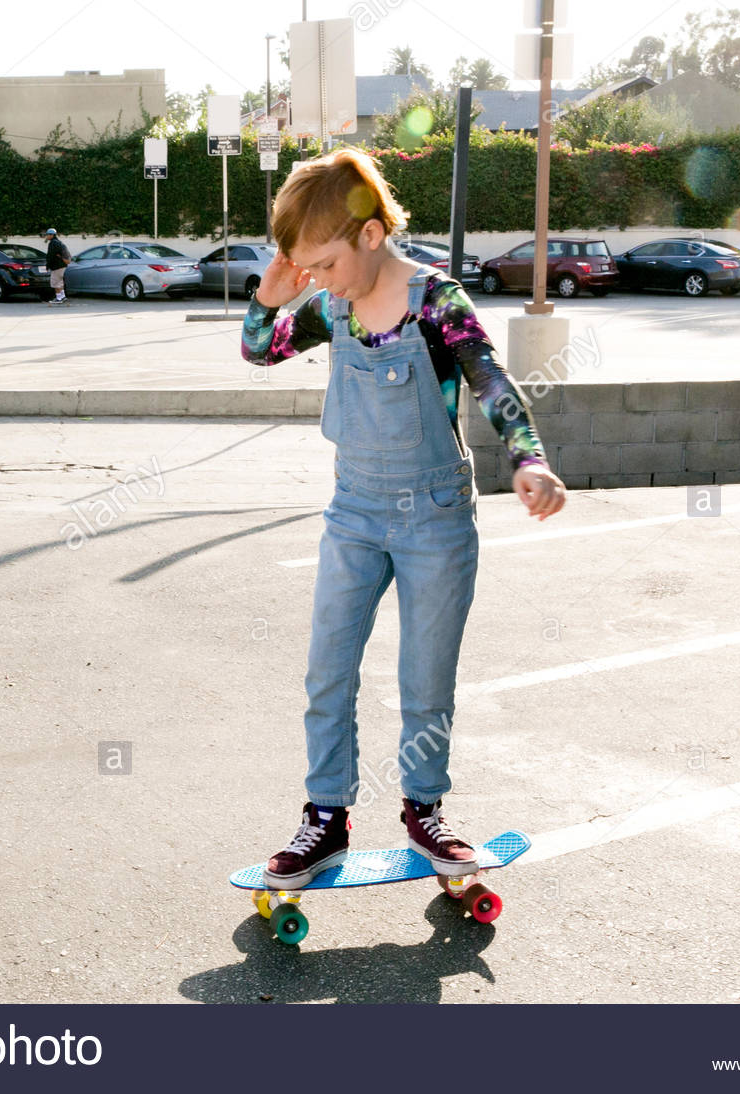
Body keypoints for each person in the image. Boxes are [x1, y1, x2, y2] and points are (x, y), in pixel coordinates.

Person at [241, 147, 566, 890]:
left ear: (370, 234)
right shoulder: (330, 306)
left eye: (325, 263)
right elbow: (258, 352)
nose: (319, 280)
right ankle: (325, 818)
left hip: (435, 517)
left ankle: (425, 810)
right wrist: (269, 297)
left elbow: (492, 381)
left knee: (425, 680)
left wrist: (530, 460)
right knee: (328, 671)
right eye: (308, 269)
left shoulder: (436, 300)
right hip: (353, 512)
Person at [45, 228, 72, 305]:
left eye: (47, 235)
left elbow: (50, 256)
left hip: (56, 266)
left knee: (55, 282)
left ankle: (58, 298)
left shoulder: (53, 243)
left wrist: (48, 265)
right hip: (62, 265)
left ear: (52, 235)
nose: (47, 236)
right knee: (60, 281)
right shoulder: (59, 242)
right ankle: (63, 297)